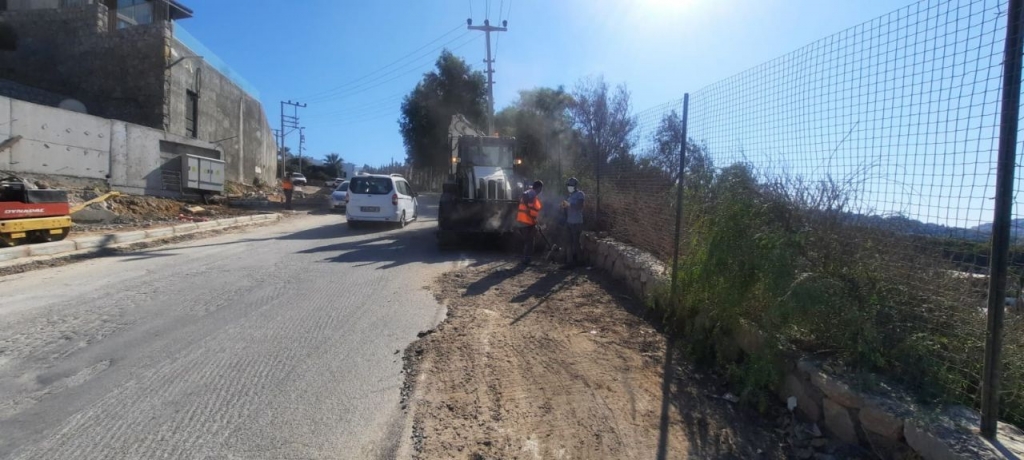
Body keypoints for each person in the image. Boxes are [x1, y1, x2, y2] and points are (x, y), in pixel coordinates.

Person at [516, 180, 544, 265]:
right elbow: (524, 196)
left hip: (528, 221)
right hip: (526, 221)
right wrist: (528, 208)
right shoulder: (531, 193)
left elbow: (533, 209)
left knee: (529, 240)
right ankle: (526, 259)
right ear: (539, 188)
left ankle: (527, 258)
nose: (541, 190)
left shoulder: (532, 194)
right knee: (529, 240)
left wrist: (535, 219)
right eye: (541, 188)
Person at [561, 177, 586, 269]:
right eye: (568, 185)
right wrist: (563, 207)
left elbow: (580, 206)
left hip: (577, 222)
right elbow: (567, 209)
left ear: (575, 185)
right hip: (569, 221)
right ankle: (569, 262)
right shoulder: (570, 196)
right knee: (568, 242)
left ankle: (580, 261)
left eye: (571, 185)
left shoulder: (580, 194)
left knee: (576, 242)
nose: (569, 186)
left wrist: (569, 205)